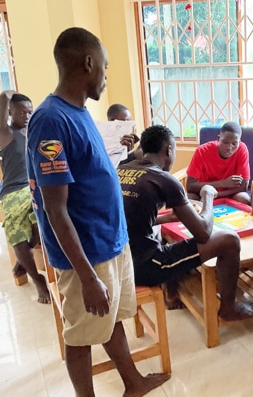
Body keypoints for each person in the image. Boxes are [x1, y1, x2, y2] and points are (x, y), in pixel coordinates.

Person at [26, 27, 168, 396]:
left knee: (110, 320)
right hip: (85, 255)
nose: (106, 75)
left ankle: (132, 383)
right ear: (89, 63)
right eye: (104, 66)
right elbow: (55, 209)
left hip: (109, 241)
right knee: (81, 336)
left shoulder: (80, 112)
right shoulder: (50, 121)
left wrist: (134, 156)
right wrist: (88, 278)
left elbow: (93, 169)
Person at [118, 124, 253, 319]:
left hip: (120, 262)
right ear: (169, 150)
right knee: (229, 240)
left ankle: (177, 286)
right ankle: (228, 307)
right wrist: (207, 194)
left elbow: (128, 218)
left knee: (164, 229)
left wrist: (166, 217)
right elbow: (203, 232)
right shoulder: (164, 178)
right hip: (146, 266)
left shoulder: (120, 170)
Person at [0, 90, 50, 304]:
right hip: (13, 191)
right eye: (22, 112)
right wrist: (7, 94)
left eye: (30, 112)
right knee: (17, 228)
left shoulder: (33, 132)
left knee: (49, 209)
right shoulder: (5, 133)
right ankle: (38, 279)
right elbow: (3, 100)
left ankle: (24, 258)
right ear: (10, 112)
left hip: (35, 186)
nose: (28, 116)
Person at [186, 121, 250, 205]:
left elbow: (243, 186)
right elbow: (190, 186)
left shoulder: (242, 149)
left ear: (239, 142)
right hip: (203, 193)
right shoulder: (202, 151)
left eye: (234, 143)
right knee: (187, 200)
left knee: (244, 198)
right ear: (218, 138)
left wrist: (216, 195)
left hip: (230, 193)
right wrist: (222, 183)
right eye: (225, 142)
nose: (229, 147)